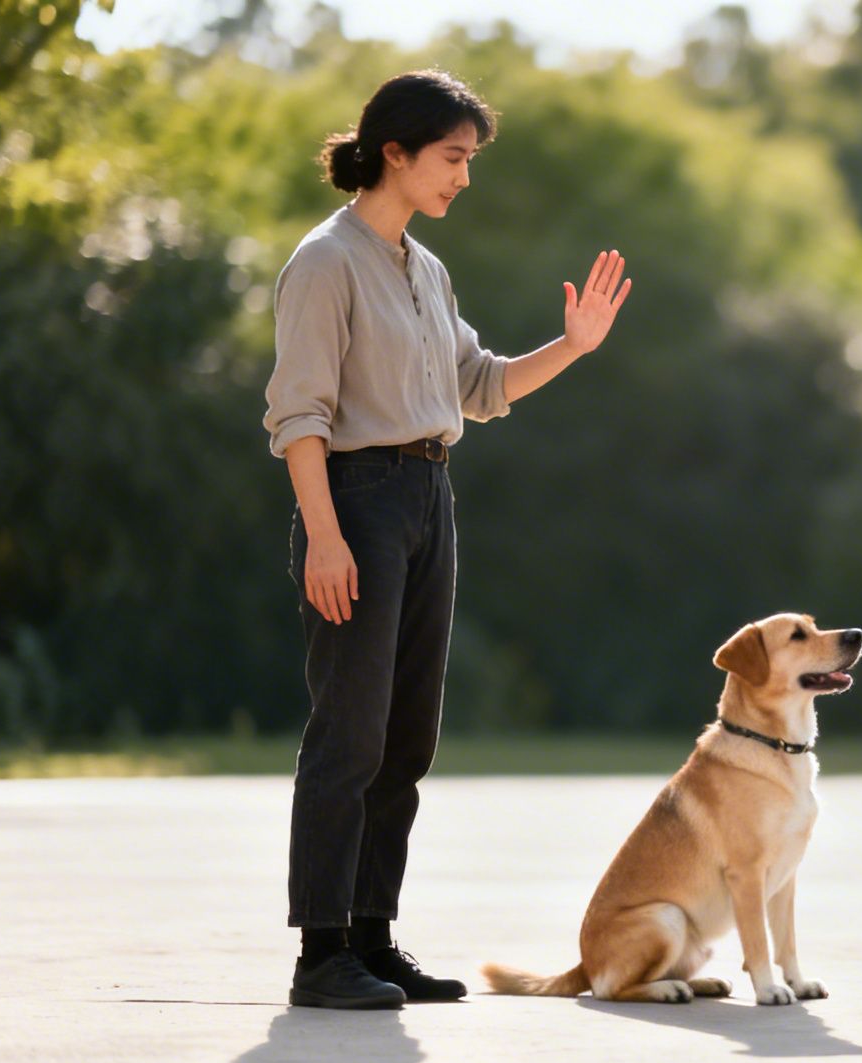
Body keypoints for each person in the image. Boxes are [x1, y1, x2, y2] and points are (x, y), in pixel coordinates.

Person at [263, 70, 630, 1010]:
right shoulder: (324, 261)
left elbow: (483, 388)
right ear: (395, 151)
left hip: (430, 497)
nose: (464, 178)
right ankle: (322, 954)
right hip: (358, 499)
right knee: (348, 732)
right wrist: (325, 536)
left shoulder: (425, 269)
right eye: (453, 158)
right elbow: (298, 415)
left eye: (469, 161)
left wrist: (575, 347)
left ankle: (375, 939)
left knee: (406, 736)